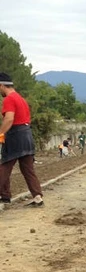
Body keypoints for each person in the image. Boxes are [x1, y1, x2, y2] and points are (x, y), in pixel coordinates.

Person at [0, 73, 44, 206]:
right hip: (27, 135)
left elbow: (9, 119)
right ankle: (37, 197)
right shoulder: (20, 98)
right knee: (27, 169)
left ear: (1, 85)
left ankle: (5, 196)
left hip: (15, 136)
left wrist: (1, 133)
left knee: (4, 166)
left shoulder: (9, 99)